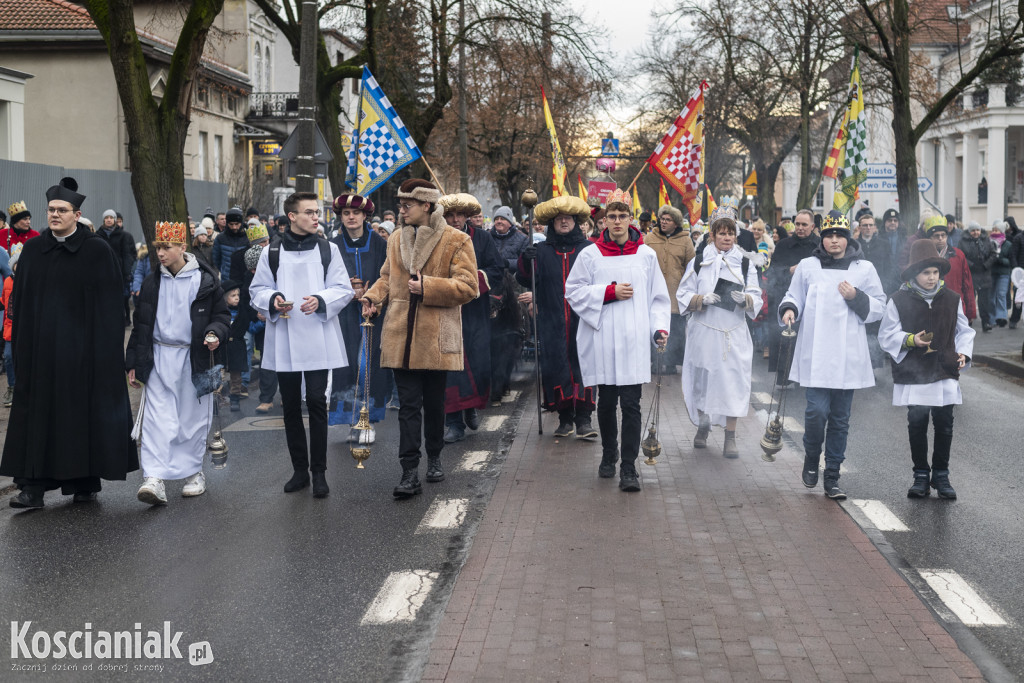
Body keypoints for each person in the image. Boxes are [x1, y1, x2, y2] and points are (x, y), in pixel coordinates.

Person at [1, 178, 137, 508]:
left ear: (77, 214)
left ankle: (83, 481)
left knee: (80, 418)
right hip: (41, 355)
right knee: (37, 417)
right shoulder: (34, 251)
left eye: (62, 210)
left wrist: (104, 353)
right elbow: (21, 302)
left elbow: (109, 308)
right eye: (50, 210)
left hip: (82, 356)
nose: (54, 215)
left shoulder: (96, 251)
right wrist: (21, 348)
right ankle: (31, 487)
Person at [360, 179, 479, 498]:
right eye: (400, 205)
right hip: (400, 335)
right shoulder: (396, 238)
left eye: (406, 205)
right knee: (409, 406)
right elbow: (387, 277)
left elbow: (469, 287)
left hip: (435, 337)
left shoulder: (457, 239)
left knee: (434, 404)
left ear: (426, 205)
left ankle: (435, 458)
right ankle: (409, 471)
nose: (401, 210)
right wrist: (373, 297)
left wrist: (428, 287)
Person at [565, 188, 671, 492]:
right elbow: (573, 291)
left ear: (630, 219)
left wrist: (659, 329)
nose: (616, 221)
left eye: (622, 216)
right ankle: (608, 455)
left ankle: (628, 466)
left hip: (634, 341)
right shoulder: (590, 254)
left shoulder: (646, 254)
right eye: (611, 216)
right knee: (608, 402)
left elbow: (658, 298)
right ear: (604, 222)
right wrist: (609, 293)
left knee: (632, 405)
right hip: (604, 340)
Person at [249, 192, 354, 499]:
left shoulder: (327, 249)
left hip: (318, 335)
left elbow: (343, 289)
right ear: (292, 217)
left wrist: (321, 299)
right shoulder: (272, 252)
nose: (315, 216)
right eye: (309, 212)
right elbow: (257, 289)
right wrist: (273, 300)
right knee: (292, 406)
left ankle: (319, 472)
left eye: (317, 211)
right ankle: (299, 470)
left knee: (317, 402)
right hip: (285, 336)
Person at [780, 211, 886, 500]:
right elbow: (793, 296)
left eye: (839, 235)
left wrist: (857, 298)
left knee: (839, 419)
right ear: (822, 238)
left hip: (848, 353)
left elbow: (880, 305)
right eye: (829, 236)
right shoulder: (807, 266)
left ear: (847, 238)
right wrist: (789, 310)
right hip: (815, 352)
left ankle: (833, 475)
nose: (835, 240)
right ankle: (812, 457)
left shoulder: (863, 268)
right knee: (815, 412)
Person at [126, 222, 229, 505]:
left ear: (182, 247)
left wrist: (214, 334)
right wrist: (133, 361)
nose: (160, 253)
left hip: (193, 358)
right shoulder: (151, 282)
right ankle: (154, 478)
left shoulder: (205, 281)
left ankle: (194, 472)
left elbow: (222, 317)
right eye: (158, 247)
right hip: (158, 357)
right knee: (157, 419)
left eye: (166, 247)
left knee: (191, 420)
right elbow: (141, 325)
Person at [878, 239, 974, 500]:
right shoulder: (898, 300)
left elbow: (964, 330)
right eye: (926, 273)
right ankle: (921, 474)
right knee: (917, 423)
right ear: (914, 274)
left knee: (944, 424)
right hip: (914, 371)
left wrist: (963, 352)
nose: (932, 278)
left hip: (944, 369)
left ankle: (941, 475)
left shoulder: (952, 299)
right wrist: (910, 340)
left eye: (935, 273)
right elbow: (886, 335)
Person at [677, 201, 761, 457]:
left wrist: (745, 299)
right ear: (712, 235)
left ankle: (730, 437)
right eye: (721, 233)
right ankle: (703, 427)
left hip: (732, 334)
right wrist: (701, 300)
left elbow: (757, 295)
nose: (726, 237)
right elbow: (683, 293)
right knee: (703, 381)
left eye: (730, 232)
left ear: (736, 235)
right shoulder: (699, 262)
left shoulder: (746, 263)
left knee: (733, 383)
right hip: (704, 331)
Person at [517, 195, 598, 439]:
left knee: (583, 366)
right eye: (559, 219)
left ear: (576, 221)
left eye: (568, 218)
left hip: (582, 320)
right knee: (556, 366)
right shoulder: (541, 250)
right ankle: (565, 420)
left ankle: (584, 419)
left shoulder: (589, 250)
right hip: (551, 320)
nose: (563, 222)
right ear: (552, 223)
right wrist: (525, 260)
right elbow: (524, 279)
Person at [439, 193, 504, 443]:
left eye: (459, 215)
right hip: (445, 312)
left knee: (475, 363)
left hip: (475, 311)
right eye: (450, 215)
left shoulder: (483, 237)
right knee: (450, 367)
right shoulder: (435, 238)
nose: (455, 220)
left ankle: (470, 407)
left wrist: (471, 282)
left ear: (467, 216)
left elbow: (496, 269)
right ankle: (453, 422)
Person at [328, 192, 389, 443]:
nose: (351, 217)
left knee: (368, 366)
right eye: (346, 213)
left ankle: (367, 419)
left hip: (373, 314)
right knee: (345, 367)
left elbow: (389, 277)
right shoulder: (332, 246)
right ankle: (352, 419)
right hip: (342, 316)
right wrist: (345, 292)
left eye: (356, 213)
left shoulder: (380, 244)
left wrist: (374, 298)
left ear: (366, 216)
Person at [765, 209, 819, 371]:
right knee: (787, 339)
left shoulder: (821, 245)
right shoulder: (783, 245)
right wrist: (790, 270)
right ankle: (784, 376)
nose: (800, 228)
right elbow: (772, 272)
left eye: (804, 224)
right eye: (798, 224)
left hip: (812, 300)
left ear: (812, 226)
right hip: (787, 297)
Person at [646, 204, 696, 373]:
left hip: (676, 294)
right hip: (653, 292)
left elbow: (691, 267)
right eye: (662, 219)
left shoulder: (686, 240)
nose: (664, 222)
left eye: (669, 220)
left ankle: (672, 364)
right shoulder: (649, 238)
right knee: (654, 327)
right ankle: (655, 362)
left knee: (674, 330)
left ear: (676, 223)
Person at [488, 205, 529, 404]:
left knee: (525, 305)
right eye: (496, 220)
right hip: (492, 282)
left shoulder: (522, 239)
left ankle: (524, 331)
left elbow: (523, 262)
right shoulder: (488, 237)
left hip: (515, 282)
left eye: (503, 219)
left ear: (510, 222)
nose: (499, 223)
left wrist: (505, 263)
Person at [924, 215, 976, 324]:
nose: (940, 239)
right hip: (930, 309)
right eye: (936, 236)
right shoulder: (923, 257)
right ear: (929, 238)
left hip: (956, 307)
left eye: (943, 235)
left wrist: (971, 311)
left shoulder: (958, 255)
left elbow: (967, 284)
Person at [96, 209, 137, 324]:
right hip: (102, 271)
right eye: (106, 218)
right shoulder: (98, 234)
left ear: (114, 220)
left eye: (111, 218)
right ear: (103, 219)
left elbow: (126, 254)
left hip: (118, 271)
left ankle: (121, 319)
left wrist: (127, 272)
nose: (109, 220)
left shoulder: (122, 235)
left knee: (121, 298)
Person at [959, 221, 997, 331]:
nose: (976, 232)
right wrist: (971, 265)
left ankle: (986, 323)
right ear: (969, 231)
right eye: (973, 230)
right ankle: (967, 322)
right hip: (970, 274)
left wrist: (986, 265)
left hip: (984, 274)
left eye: (977, 230)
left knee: (984, 301)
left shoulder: (986, 240)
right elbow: (961, 255)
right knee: (969, 300)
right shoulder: (962, 241)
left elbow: (993, 254)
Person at [220, 280, 248, 412]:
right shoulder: (220, 312)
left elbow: (251, 325)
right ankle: (216, 398)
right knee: (218, 374)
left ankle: (235, 398)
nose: (237, 297)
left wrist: (260, 320)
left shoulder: (242, 312)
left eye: (238, 295)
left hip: (237, 346)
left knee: (236, 375)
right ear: (225, 297)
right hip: (222, 346)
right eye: (232, 295)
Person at [2, 244, 21, 408]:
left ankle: (26, 389)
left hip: (26, 327)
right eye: (17, 263)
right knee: (8, 357)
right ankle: (12, 387)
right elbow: (4, 300)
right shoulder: (8, 280)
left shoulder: (31, 280)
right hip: (9, 327)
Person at [212, 206, 250, 282]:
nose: (234, 227)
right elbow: (216, 260)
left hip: (244, 279)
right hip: (227, 280)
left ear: (241, 223)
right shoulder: (220, 238)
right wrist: (224, 270)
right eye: (231, 224)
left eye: (237, 224)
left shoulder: (248, 238)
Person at [993, 221, 1016, 327]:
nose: (994, 232)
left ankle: (1001, 317)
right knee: (992, 295)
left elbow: (1010, 261)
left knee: (1001, 294)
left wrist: (1000, 259)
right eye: (993, 230)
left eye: (996, 230)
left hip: (1003, 273)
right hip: (992, 273)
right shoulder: (989, 243)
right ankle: (992, 318)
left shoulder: (1008, 244)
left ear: (1002, 231)